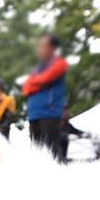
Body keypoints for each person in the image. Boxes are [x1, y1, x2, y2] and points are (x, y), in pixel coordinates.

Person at [22, 33, 69, 161]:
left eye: (43, 45)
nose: (40, 49)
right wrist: (38, 83)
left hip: (50, 113)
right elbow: (26, 88)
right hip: (34, 114)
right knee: (36, 151)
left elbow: (47, 78)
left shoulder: (60, 63)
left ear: (52, 48)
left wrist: (35, 83)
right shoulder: (37, 68)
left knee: (51, 150)